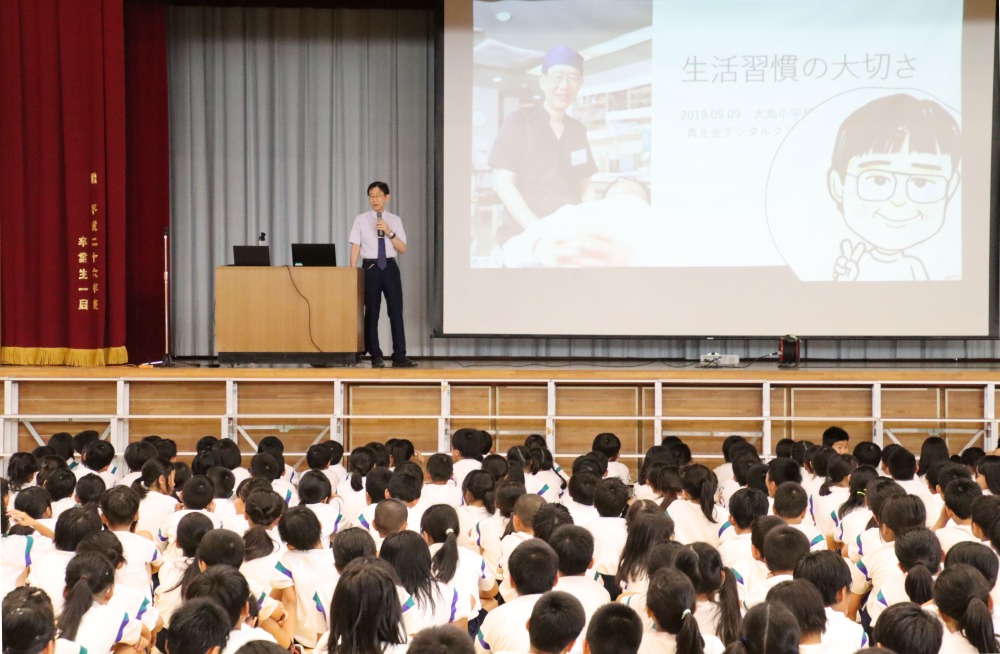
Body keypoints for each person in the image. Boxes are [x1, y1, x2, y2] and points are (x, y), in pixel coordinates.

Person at [828, 93, 961, 281]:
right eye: (879, 181)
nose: (899, 200)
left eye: (920, 182)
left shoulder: (913, 266)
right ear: (837, 185)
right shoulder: (858, 264)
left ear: (951, 187)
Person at [489, 46, 596, 249]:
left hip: (568, 232)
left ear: (580, 84)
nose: (564, 85)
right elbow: (504, 184)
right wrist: (539, 231)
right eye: (558, 76)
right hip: (524, 232)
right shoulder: (518, 122)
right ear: (542, 80)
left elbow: (586, 186)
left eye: (573, 78)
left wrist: (588, 225)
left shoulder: (577, 130)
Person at [348, 180, 416, 368]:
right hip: (370, 267)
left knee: (395, 311)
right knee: (372, 312)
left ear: (387, 197)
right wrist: (353, 272)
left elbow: (402, 248)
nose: (374, 199)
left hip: (390, 267)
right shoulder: (361, 219)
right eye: (371, 196)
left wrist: (389, 232)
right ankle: (375, 355)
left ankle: (399, 355)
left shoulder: (395, 220)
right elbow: (355, 246)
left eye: (378, 196)